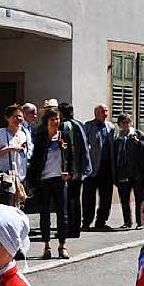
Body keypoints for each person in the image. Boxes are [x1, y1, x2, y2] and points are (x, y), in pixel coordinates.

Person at [28, 107, 73, 260]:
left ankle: (62, 245)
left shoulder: (65, 136)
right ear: (47, 121)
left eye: (58, 119)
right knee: (44, 214)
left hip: (60, 180)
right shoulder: (40, 138)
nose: (55, 122)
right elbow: (34, 161)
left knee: (62, 214)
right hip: (44, 181)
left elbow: (71, 157)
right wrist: (32, 184)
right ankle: (46, 245)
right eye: (52, 119)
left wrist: (70, 173)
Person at [112, 114, 144, 229]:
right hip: (123, 173)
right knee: (124, 200)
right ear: (119, 124)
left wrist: (140, 143)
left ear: (130, 122)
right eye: (123, 123)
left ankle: (140, 222)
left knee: (139, 200)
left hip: (137, 174)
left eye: (127, 122)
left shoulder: (138, 134)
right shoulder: (117, 138)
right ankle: (127, 222)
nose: (125, 125)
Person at [0, 104, 32, 207]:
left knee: (19, 208)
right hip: (5, 179)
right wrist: (10, 148)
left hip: (20, 178)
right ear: (7, 118)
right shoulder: (1, 133)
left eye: (20, 116)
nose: (18, 119)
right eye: (15, 116)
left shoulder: (23, 134)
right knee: (6, 208)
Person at [59, 102, 89, 239]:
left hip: (71, 170)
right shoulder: (79, 124)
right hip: (79, 169)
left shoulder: (66, 126)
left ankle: (70, 228)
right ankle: (76, 228)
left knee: (69, 200)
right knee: (76, 199)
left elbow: (66, 149)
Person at [83, 104, 115, 230]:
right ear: (96, 113)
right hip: (92, 168)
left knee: (106, 198)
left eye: (106, 111)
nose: (105, 113)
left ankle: (101, 222)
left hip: (107, 168)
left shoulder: (111, 127)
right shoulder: (88, 126)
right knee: (88, 198)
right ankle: (86, 222)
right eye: (102, 111)